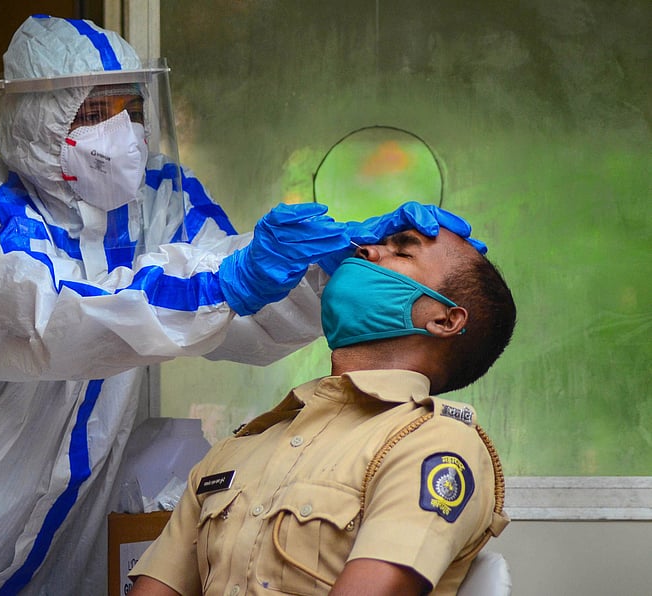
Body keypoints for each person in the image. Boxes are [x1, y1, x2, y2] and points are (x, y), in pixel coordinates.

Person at [0, 15, 487, 596]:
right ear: (34, 121)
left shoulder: (162, 197)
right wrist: (236, 279)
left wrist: (327, 264)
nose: (123, 131)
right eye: (93, 111)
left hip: (59, 546)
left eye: (130, 107)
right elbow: (50, 323)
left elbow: (236, 301)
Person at [130, 224, 517, 595]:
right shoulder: (243, 445)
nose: (363, 251)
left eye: (401, 251)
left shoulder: (430, 441)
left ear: (444, 319)